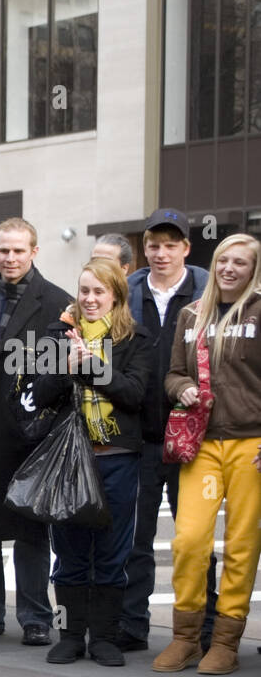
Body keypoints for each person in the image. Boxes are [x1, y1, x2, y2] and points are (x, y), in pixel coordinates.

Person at [33, 259, 152, 666]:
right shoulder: (59, 335)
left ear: (116, 295)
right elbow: (38, 394)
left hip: (116, 457)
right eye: (84, 290)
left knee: (111, 552)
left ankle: (103, 637)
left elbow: (135, 394)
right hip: (68, 459)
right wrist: (66, 369)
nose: (89, 299)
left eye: (99, 291)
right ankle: (69, 635)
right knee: (68, 553)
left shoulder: (136, 339)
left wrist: (93, 367)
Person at [155, 234, 261, 675]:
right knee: (189, 542)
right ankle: (185, 638)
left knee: (241, 545)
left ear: (253, 269)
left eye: (240, 262)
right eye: (223, 260)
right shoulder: (191, 314)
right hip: (201, 442)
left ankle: (226, 642)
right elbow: (174, 374)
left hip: (250, 443)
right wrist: (183, 389)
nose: (229, 268)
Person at [0, 218, 71, 647]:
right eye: (4, 250)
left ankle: (35, 616)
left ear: (34, 251)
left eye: (19, 250)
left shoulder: (58, 303)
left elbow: (62, 372)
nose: (11, 258)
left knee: (30, 527)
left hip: (30, 430)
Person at [119, 208, 212, 652]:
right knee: (134, 540)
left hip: (192, 438)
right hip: (138, 437)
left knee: (193, 539)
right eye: (153, 245)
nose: (160, 253)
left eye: (170, 245)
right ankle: (132, 626)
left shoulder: (207, 290)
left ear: (186, 249)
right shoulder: (129, 289)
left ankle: (206, 629)